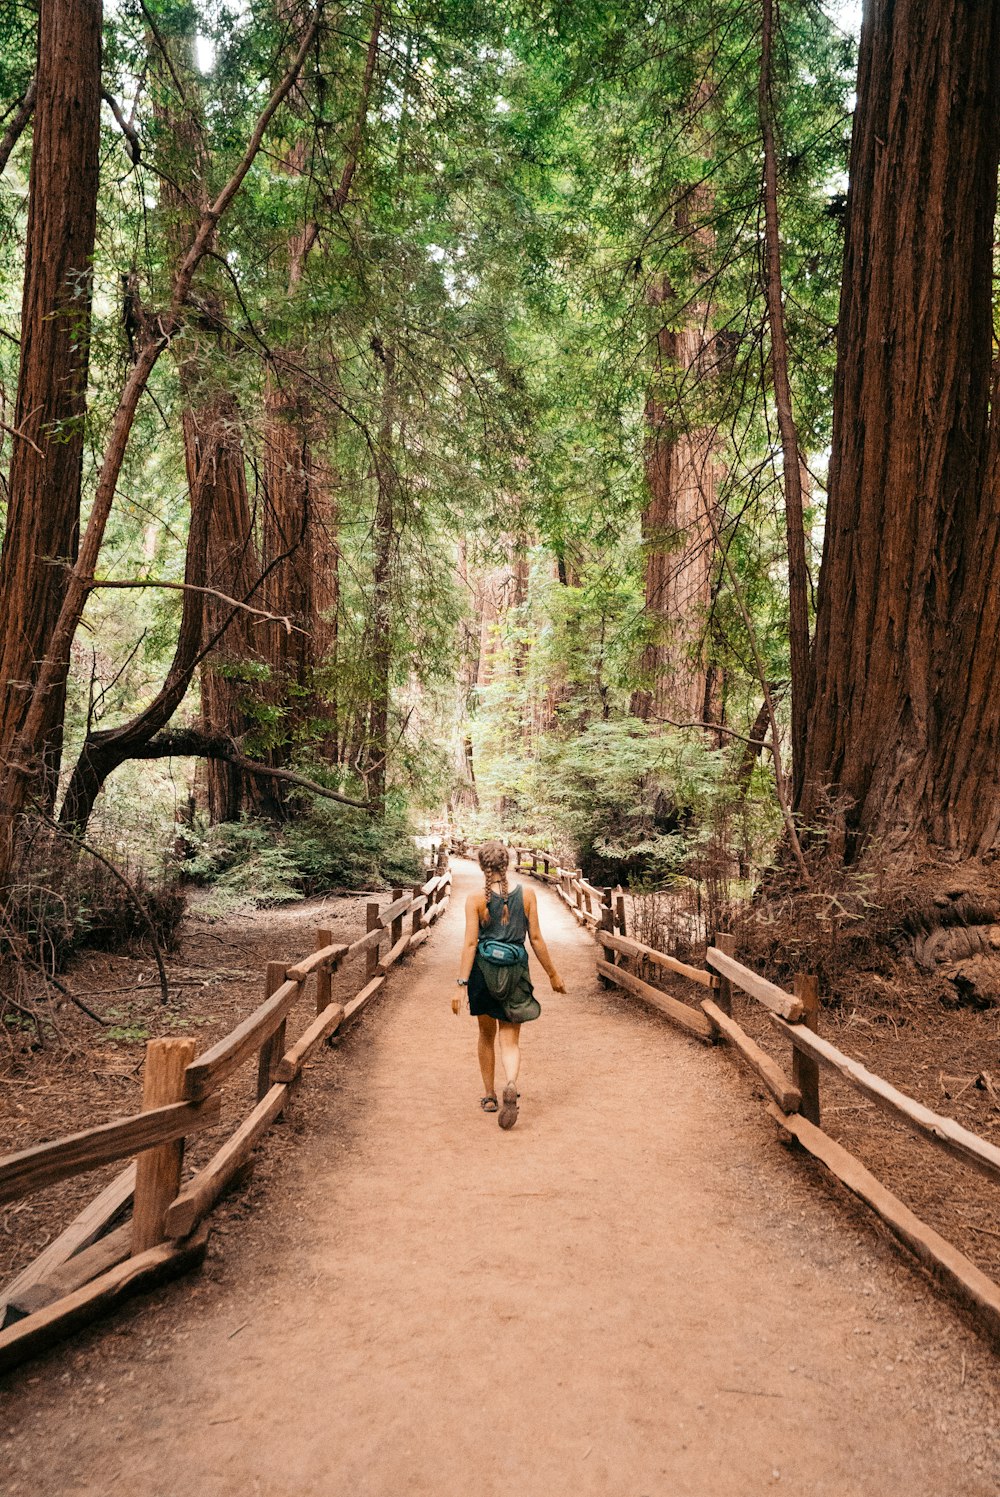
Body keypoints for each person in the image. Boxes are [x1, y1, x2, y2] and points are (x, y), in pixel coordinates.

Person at [455, 840, 565, 1130]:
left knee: (485, 1034)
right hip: (516, 972)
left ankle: (490, 1095)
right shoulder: (527, 895)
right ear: (508, 865)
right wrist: (553, 974)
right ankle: (512, 1083)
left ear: (482, 867)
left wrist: (460, 984)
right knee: (510, 1039)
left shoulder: (475, 900)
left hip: (483, 974)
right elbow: (537, 939)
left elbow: (469, 944)